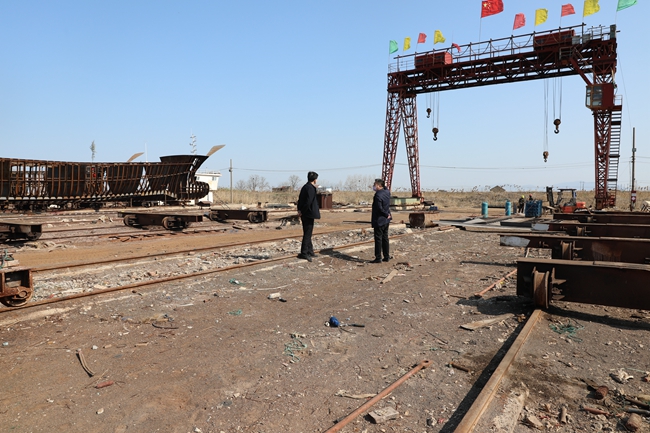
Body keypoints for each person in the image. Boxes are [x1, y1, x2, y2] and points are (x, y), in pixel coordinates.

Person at [297, 171, 320, 262]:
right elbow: (308, 202)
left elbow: (300, 200)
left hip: (305, 213)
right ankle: (304, 252)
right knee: (307, 234)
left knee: (308, 232)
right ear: (314, 180)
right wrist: (302, 211)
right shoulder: (310, 188)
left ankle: (310, 251)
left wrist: (299, 210)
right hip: (308, 213)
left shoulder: (305, 187)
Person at [370, 178, 391, 263]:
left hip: (379, 220)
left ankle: (378, 257)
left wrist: (385, 214)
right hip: (386, 220)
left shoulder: (378, 195)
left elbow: (379, 208)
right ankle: (386, 256)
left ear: (379, 186)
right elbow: (385, 187)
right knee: (385, 238)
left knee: (378, 239)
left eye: (374, 185)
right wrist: (387, 215)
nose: (373, 186)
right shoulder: (387, 192)